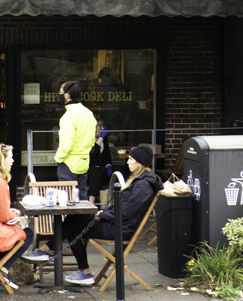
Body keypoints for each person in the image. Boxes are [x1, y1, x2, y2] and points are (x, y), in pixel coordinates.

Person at [61, 145, 162, 286]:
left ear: (140, 162)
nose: (127, 162)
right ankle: (49, 251)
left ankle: (83, 272)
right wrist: (104, 212)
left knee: (74, 230)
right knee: (75, 218)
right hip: (117, 224)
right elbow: (123, 208)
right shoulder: (140, 181)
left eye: (131, 159)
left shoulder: (143, 185)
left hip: (120, 229)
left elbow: (126, 211)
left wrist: (103, 215)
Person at [0, 143, 51, 286]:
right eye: (10, 158)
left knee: (20, 230)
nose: (12, 161)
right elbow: (5, 217)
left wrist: (11, 213)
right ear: (1, 159)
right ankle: (1, 269)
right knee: (27, 233)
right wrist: (17, 216)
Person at [54, 80, 96, 200]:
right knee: (82, 199)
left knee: (68, 202)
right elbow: (92, 140)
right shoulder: (88, 113)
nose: (59, 95)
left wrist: (58, 157)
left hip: (68, 164)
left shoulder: (68, 116)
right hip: (84, 163)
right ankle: (85, 219)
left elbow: (66, 143)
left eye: (61, 92)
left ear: (67, 95)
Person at [86, 121, 113, 204]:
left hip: (101, 167)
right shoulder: (87, 139)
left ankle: (112, 202)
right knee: (95, 174)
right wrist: (100, 138)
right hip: (89, 167)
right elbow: (93, 154)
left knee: (118, 172)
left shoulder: (104, 140)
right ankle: (91, 202)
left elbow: (107, 155)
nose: (100, 129)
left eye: (101, 127)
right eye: (98, 127)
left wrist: (109, 166)